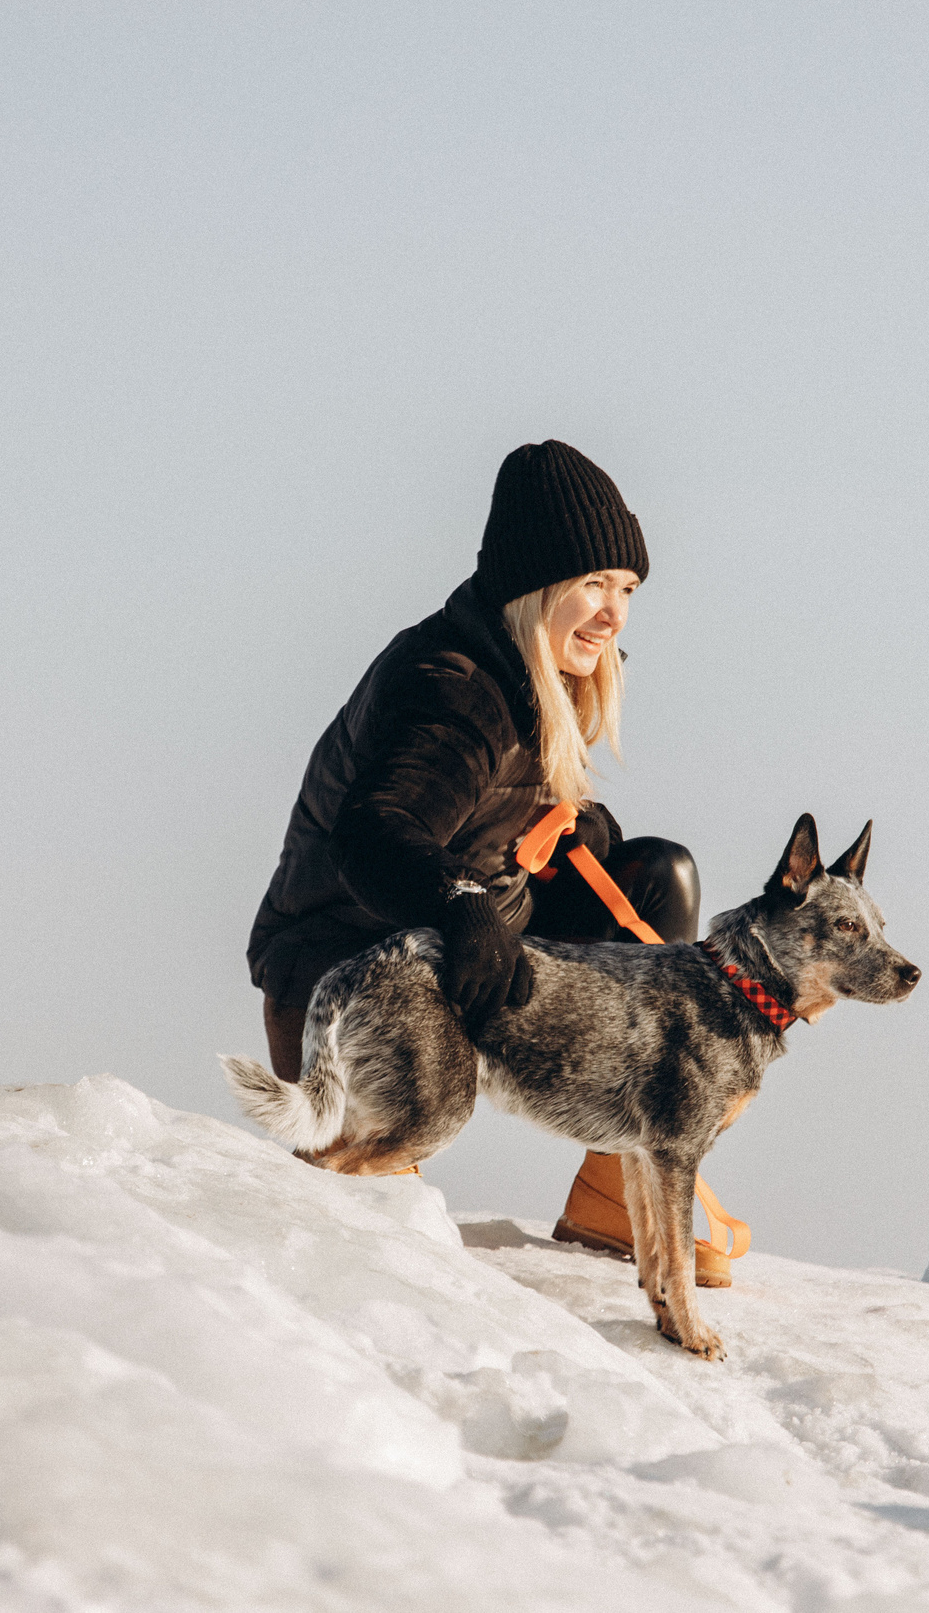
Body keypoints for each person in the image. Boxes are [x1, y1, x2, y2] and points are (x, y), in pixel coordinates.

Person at [246, 439, 740, 1285]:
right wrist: (461, 899)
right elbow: (376, 828)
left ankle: (613, 1186)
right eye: (593, 584)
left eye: (626, 590)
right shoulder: (452, 686)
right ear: (534, 585)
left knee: (657, 878)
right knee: (382, 1257)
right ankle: (356, 1162)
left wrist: (579, 828)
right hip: (348, 978)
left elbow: (497, 800)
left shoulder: (538, 670)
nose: (613, 614)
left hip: (455, 948)